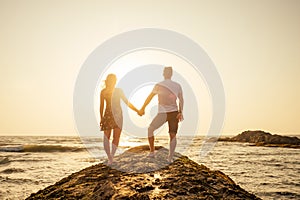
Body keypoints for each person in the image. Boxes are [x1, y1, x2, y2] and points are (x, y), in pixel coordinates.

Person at [139, 67, 184, 162]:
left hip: (163, 113)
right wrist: (180, 112)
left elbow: (149, 97)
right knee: (173, 135)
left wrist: (143, 108)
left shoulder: (159, 85)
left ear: (164, 73)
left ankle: (152, 152)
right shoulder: (177, 85)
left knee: (150, 129)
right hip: (173, 113)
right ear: (171, 74)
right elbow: (181, 99)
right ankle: (170, 158)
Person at [100, 74, 139, 165]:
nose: (113, 82)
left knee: (116, 137)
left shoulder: (119, 91)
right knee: (106, 138)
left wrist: (137, 110)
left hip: (118, 115)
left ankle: (112, 157)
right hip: (108, 115)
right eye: (112, 80)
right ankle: (109, 157)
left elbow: (126, 102)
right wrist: (101, 118)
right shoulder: (103, 92)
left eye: (114, 80)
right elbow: (101, 106)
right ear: (108, 81)